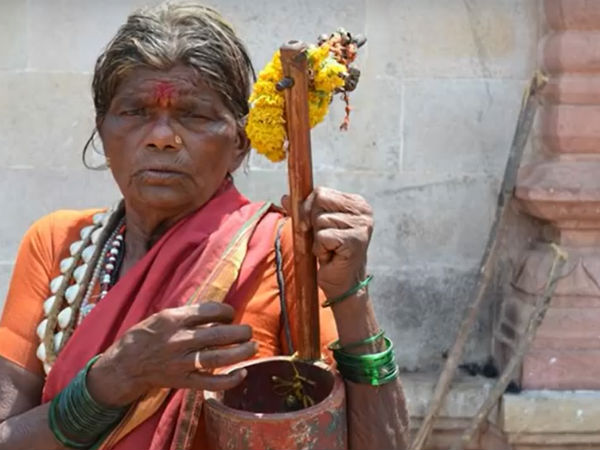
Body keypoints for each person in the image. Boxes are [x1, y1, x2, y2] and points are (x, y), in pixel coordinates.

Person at [0, 2, 409, 449]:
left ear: (239, 142)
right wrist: (115, 378)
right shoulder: (57, 245)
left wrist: (351, 296)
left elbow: (381, 443)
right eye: (135, 112)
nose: (161, 137)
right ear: (103, 132)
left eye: (193, 115)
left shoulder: (283, 247)